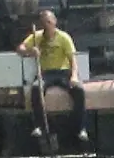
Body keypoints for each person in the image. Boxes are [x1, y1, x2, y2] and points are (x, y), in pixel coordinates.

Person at [18, 10, 88, 145]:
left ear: (54, 22)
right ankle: (39, 125)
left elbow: (72, 59)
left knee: (79, 90)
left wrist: (74, 76)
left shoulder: (64, 37)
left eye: (49, 22)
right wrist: (29, 51)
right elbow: (20, 48)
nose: (47, 25)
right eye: (44, 23)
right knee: (35, 88)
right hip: (46, 73)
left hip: (63, 72)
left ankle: (80, 128)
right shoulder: (36, 36)